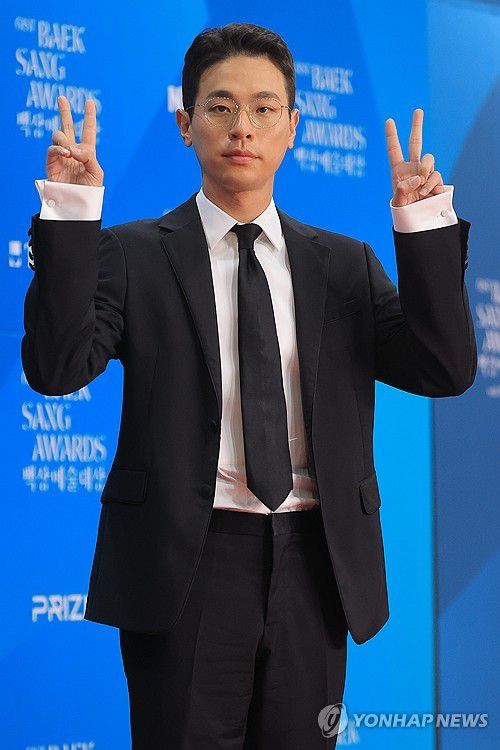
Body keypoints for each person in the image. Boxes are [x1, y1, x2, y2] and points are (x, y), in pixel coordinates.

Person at [21, 21, 476, 750]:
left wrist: (422, 224)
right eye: (221, 106)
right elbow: (56, 367)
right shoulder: (131, 255)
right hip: (185, 567)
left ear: (293, 127)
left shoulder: (344, 266)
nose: (243, 127)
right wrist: (72, 215)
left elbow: (444, 368)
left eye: (264, 108)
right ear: (185, 124)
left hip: (317, 567)